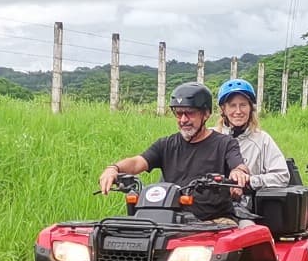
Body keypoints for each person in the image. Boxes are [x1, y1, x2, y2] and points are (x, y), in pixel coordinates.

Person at [99, 82, 249, 214]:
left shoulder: (225, 143)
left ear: (206, 114)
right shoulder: (166, 144)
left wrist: (238, 173)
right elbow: (138, 162)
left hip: (213, 221)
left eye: (189, 113)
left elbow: (238, 165)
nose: (183, 120)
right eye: (178, 114)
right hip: (170, 219)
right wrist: (113, 168)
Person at [216, 78, 291, 187]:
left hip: (250, 200)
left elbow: (282, 176)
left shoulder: (262, 139)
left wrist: (249, 181)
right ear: (223, 109)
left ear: (251, 108)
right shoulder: (212, 136)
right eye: (232, 105)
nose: (238, 111)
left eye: (243, 105)